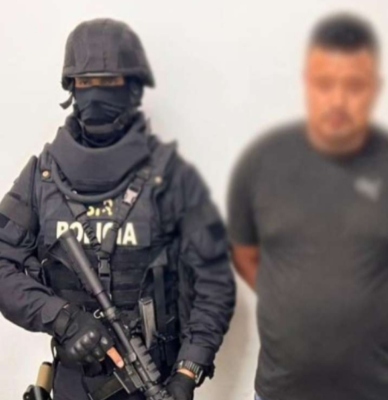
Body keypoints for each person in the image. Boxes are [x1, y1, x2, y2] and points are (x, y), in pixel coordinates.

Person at [0, 18, 236, 400]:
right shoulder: (41, 177)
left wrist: (188, 370)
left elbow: (214, 278)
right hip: (74, 383)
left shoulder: (170, 177)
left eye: (109, 81)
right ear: (71, 88)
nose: (97, 94)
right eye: (86, 81)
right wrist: (61, 318)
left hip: (157, 379)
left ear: (133, 88)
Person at [227, 12, 388, 400]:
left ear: (375, 89)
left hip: (380, 390)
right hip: (283, 390)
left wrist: (379, 295)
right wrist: (289, 294)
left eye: (354, 86)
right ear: (306, 84)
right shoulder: (261, 164)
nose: (338, 101)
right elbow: (245, 255)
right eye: (324, 84)